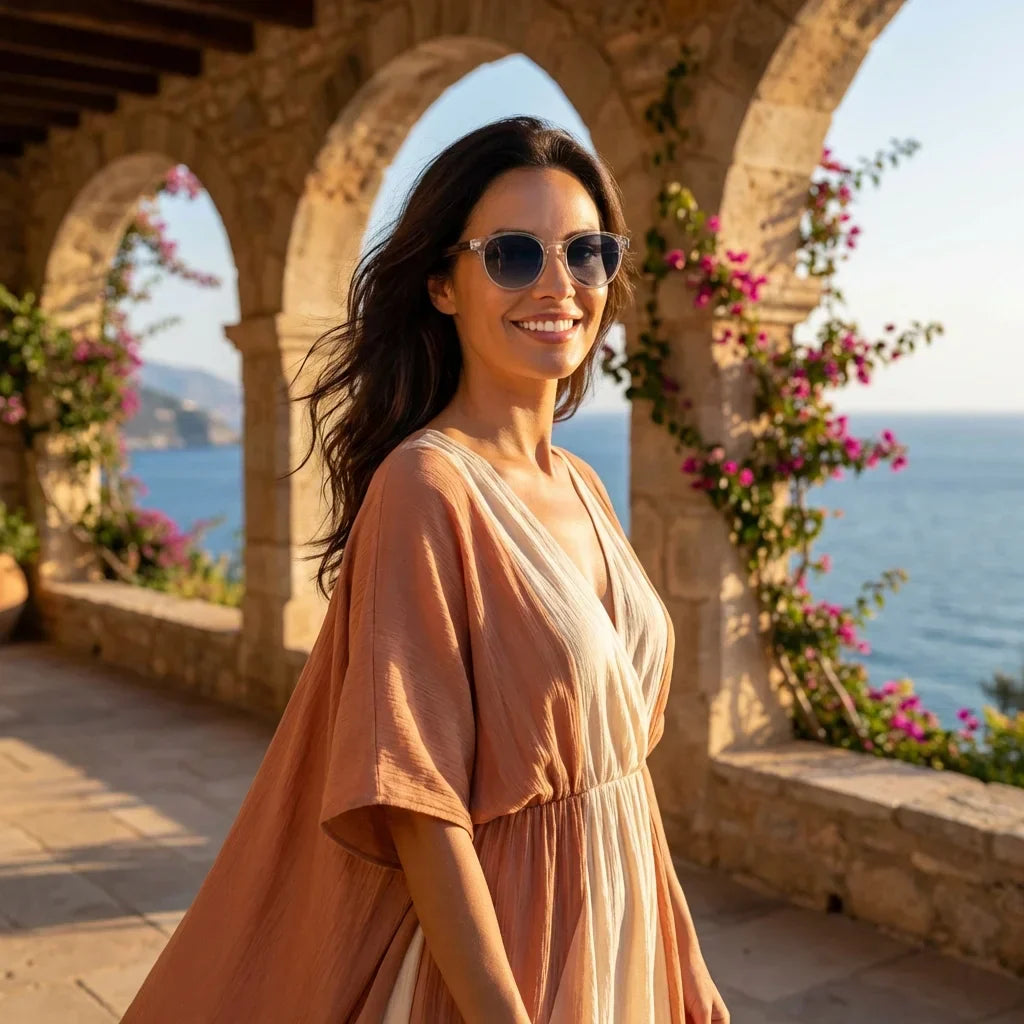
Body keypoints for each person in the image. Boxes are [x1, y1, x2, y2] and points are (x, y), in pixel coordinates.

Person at [119, 115, 729, 1023]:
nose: (560, 284)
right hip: (506, 956)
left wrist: (684, 961)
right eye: (516, 255)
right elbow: (416, 802)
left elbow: (617, 775)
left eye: (587, 252)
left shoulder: (585, 485)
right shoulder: (425, 485)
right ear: (443, 283)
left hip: (618, 929)